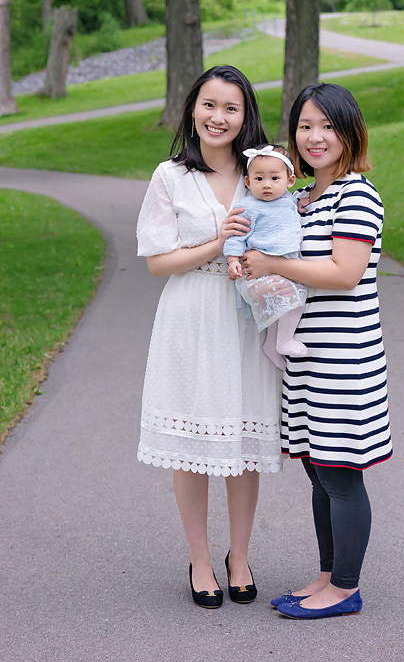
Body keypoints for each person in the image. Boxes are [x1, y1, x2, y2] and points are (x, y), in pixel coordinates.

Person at [241, 82, 393, 620]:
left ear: (350, 132)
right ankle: (327, 576)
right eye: (305, 125)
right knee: (319, 470)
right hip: (307, 361)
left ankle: (345, 589)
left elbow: (345, 274)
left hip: (343, 361)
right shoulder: (306, 201)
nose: (315, 136)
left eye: (327, 125)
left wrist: (274, 264)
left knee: (341, 475)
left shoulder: (357, 195)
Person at [136, 65, 283, 610]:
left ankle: (239, 555)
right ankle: (200, 557)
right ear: (191, 109)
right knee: (193, 445)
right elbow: (157, 262)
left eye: (231, 108)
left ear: (246, 116)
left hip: (246, 316)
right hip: (191, 312)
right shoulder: (170, 176)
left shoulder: (262, 172)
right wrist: (215, 243)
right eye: (209, 105)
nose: (218, 117)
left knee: (243, 441)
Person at [223, 144, 308, 368]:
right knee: (285, 292)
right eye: (259, 179)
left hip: (284, 267)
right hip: (256, 274)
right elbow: (236, 236)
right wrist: (233, 261)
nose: (267, 185)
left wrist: (300, 206)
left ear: (289, 181)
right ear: (248, 182)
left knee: (293, 299)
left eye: (274, 178)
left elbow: (289, 213)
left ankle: (272, 344)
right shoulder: (248, 207)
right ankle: (284, 341)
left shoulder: (288, 200)